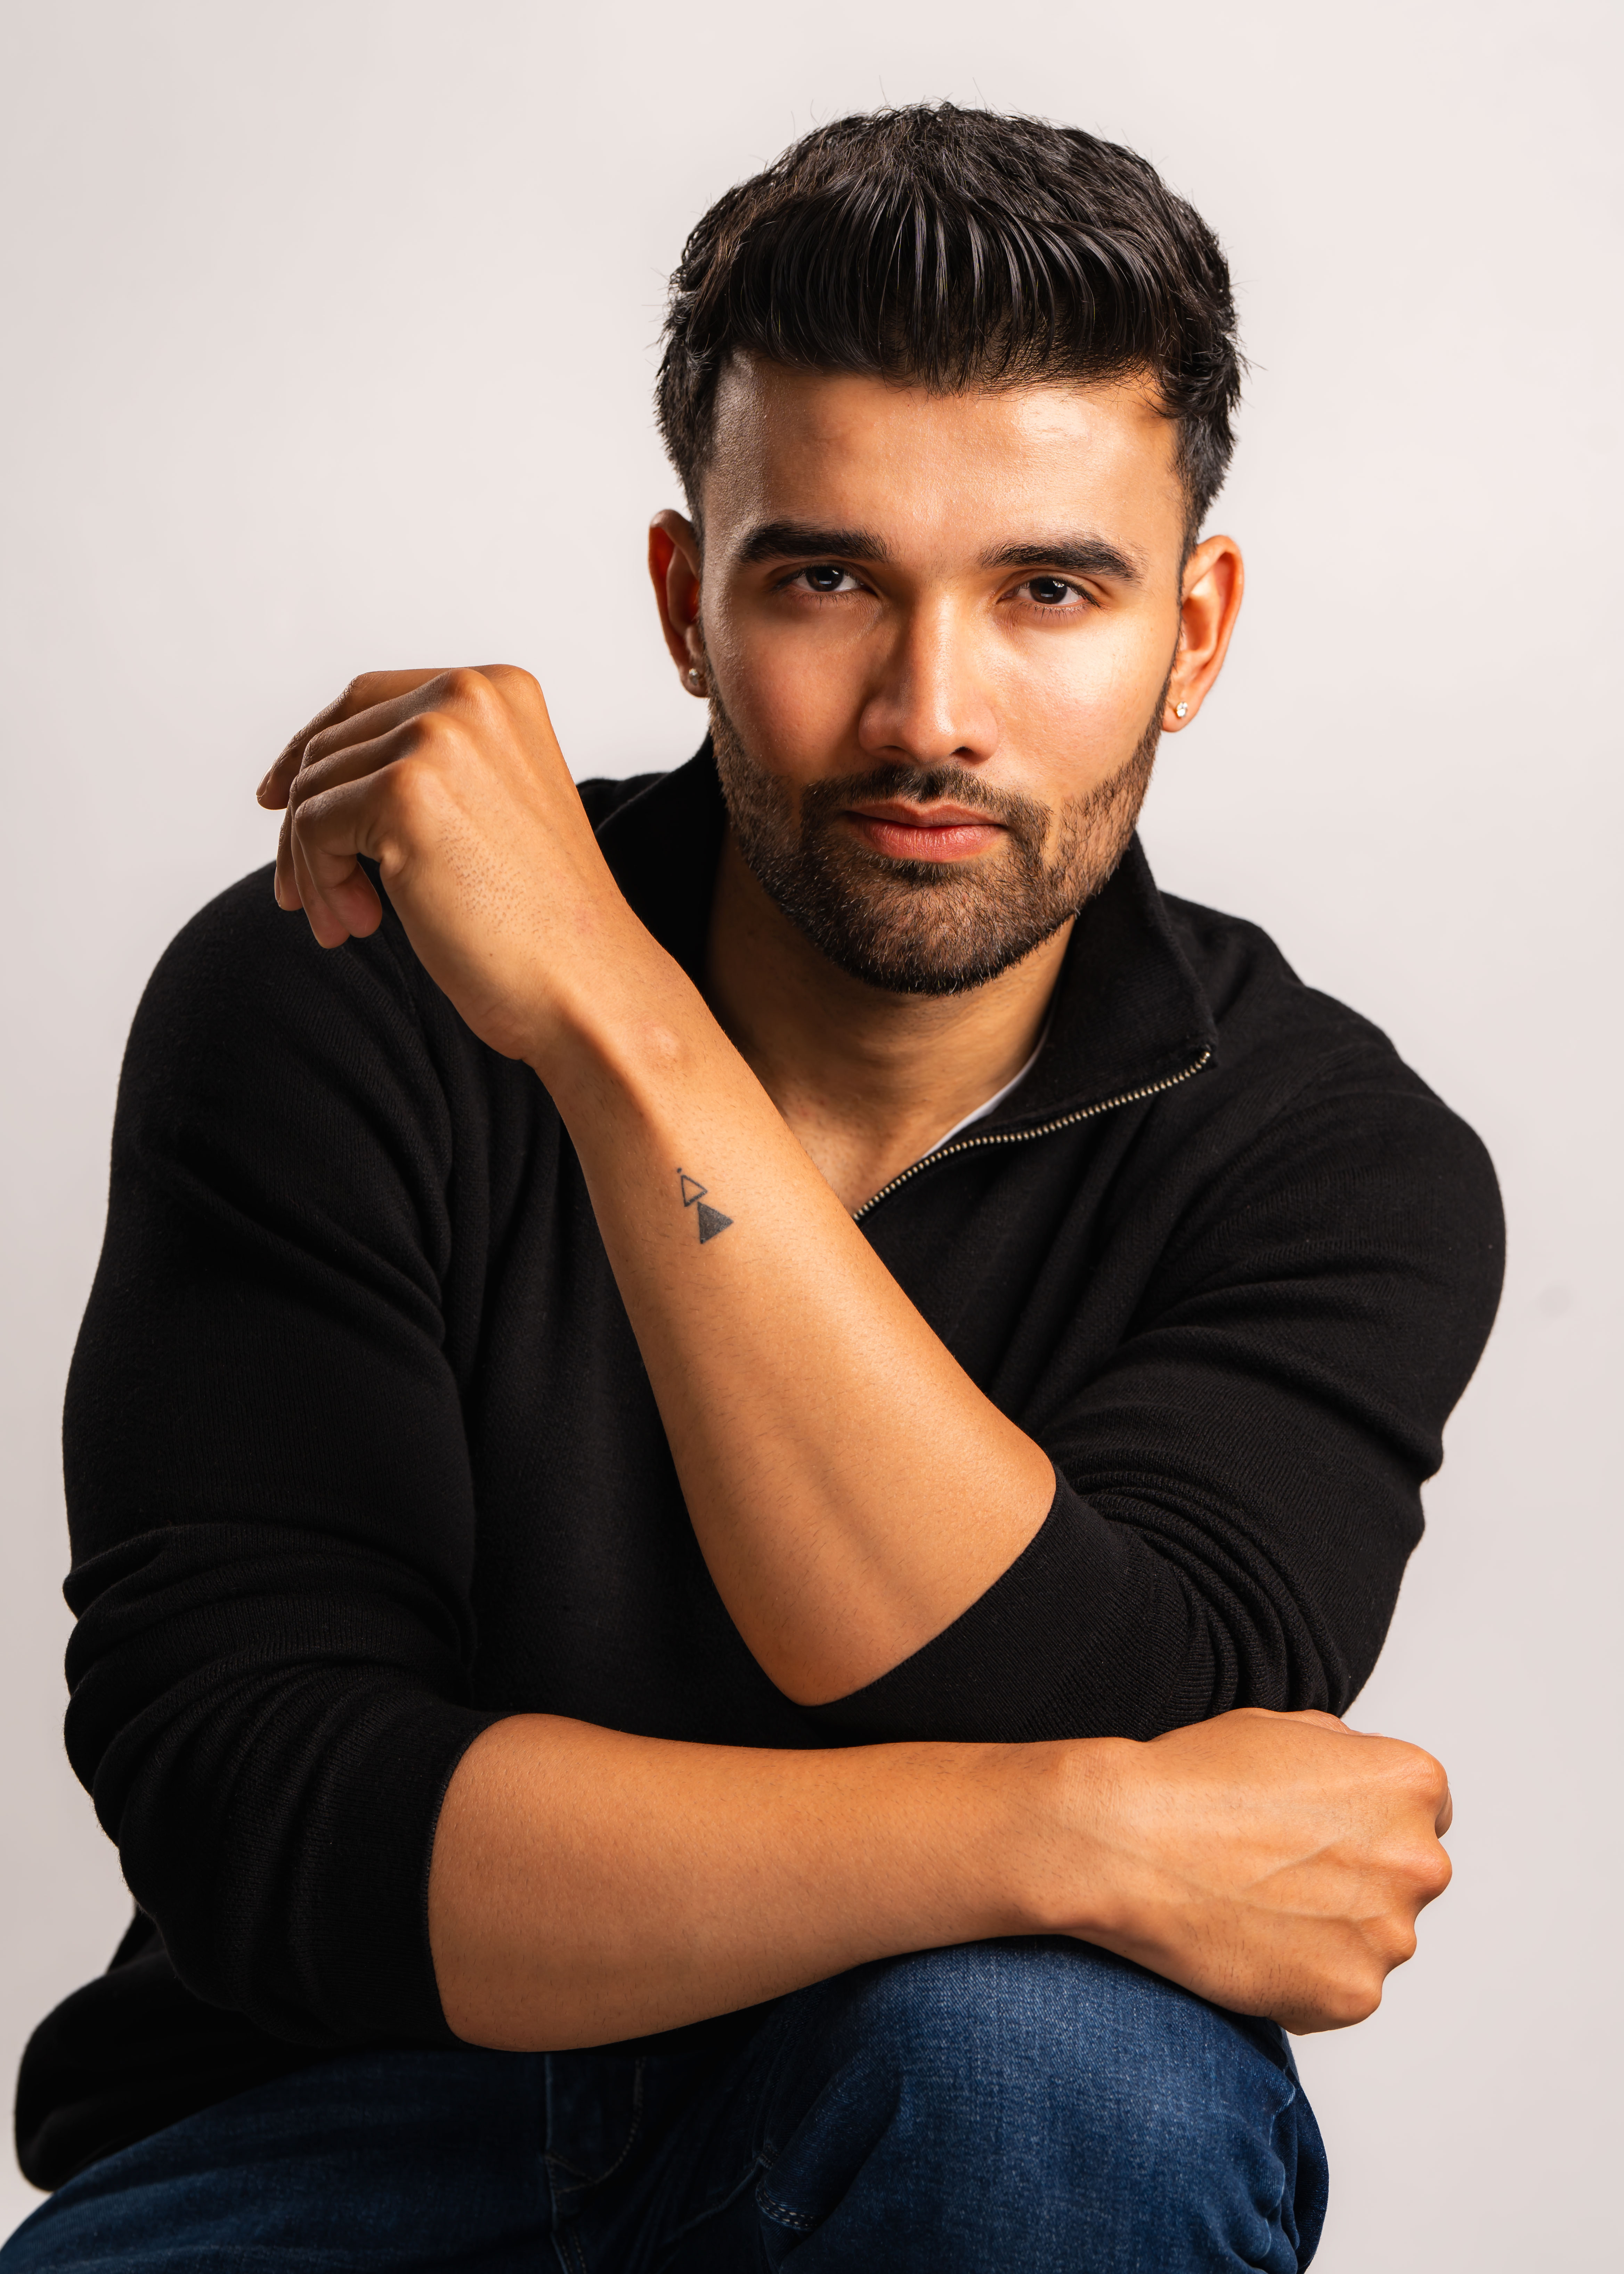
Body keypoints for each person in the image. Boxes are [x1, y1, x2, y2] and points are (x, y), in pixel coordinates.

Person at [5, 105, 1501, 2272]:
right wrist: (1076, 1828)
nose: (928, 713)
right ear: (683, 603)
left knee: (1057, 2074)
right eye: (826, 580)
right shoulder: (337, 990)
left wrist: (616, 1023)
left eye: (1050, 590)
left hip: (963, 2108)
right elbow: (277, 1818)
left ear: (1194, 632)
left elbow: (1098, 1693)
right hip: (341, 2133)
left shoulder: (1330, 1162)